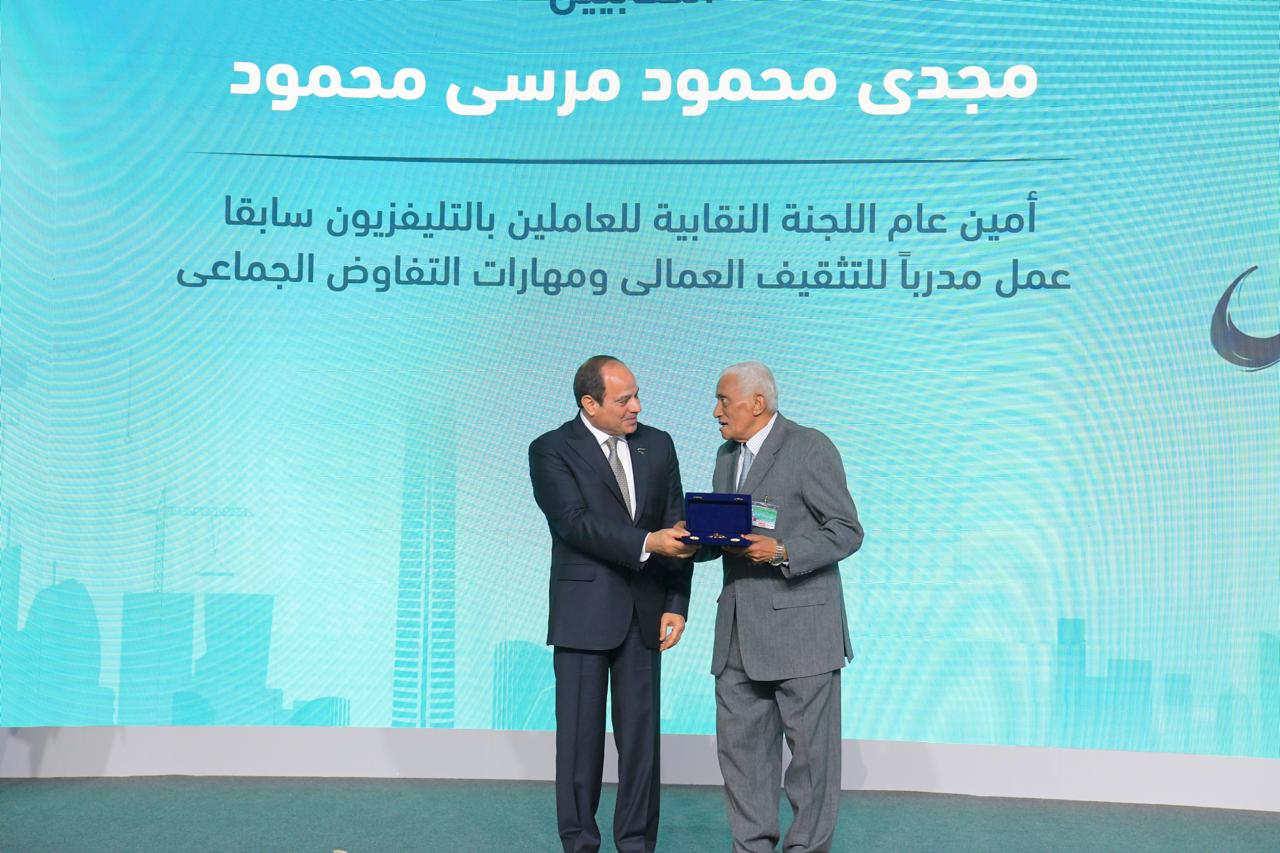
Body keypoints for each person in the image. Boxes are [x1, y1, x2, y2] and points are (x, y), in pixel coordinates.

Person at [529, 355, 695, 853]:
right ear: (590, 403)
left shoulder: (658, 444)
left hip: (646, 614)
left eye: (637, 395)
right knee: (579, 744)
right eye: (624, 400)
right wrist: (647, 543)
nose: (636, 407)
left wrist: (676, 601)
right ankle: (580, 843)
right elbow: (573, 523)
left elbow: (677, 525)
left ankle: (637, 844)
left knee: (642, 745)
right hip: (582, 614)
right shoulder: (551, 449)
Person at [702, 361, 863, 853]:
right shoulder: (726, 457)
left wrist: (782, 551)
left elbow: (846, 531)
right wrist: (694, 538)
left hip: (802, 633)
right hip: (737, 636)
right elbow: (729, 532)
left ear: (757, 402)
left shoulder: (810, 447)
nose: (715, 412)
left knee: (812, 765)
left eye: (723, 400)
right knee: (742, 758)